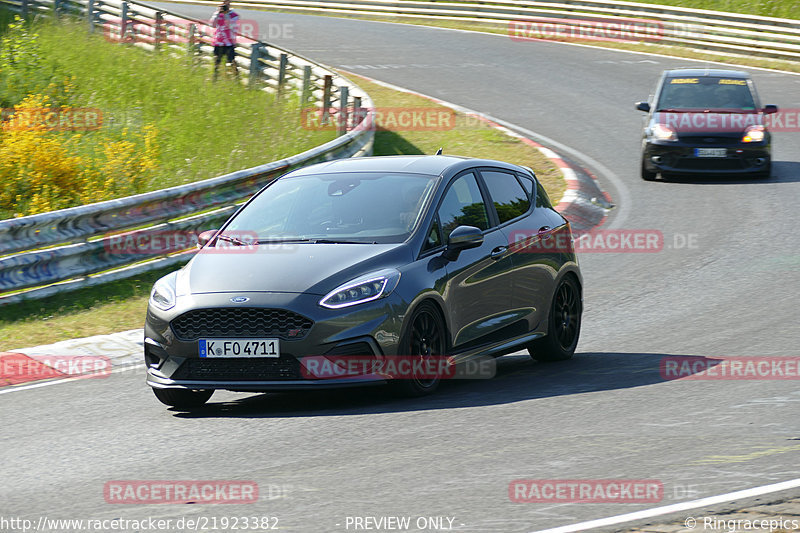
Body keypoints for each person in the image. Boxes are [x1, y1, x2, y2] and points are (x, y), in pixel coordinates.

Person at [209, 0, 240, 80]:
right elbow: (212, 24)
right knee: (217, 63)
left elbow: (231, 26)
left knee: (231, 62)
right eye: (223, 3)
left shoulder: (234, 15)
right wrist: (217, 13)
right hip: (218, 42)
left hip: (229, 43)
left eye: (227, 3)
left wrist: (226, 14)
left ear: (230, 4)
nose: (225, 5)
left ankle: (236, 79)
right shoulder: (217, 14)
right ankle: (215, 79)